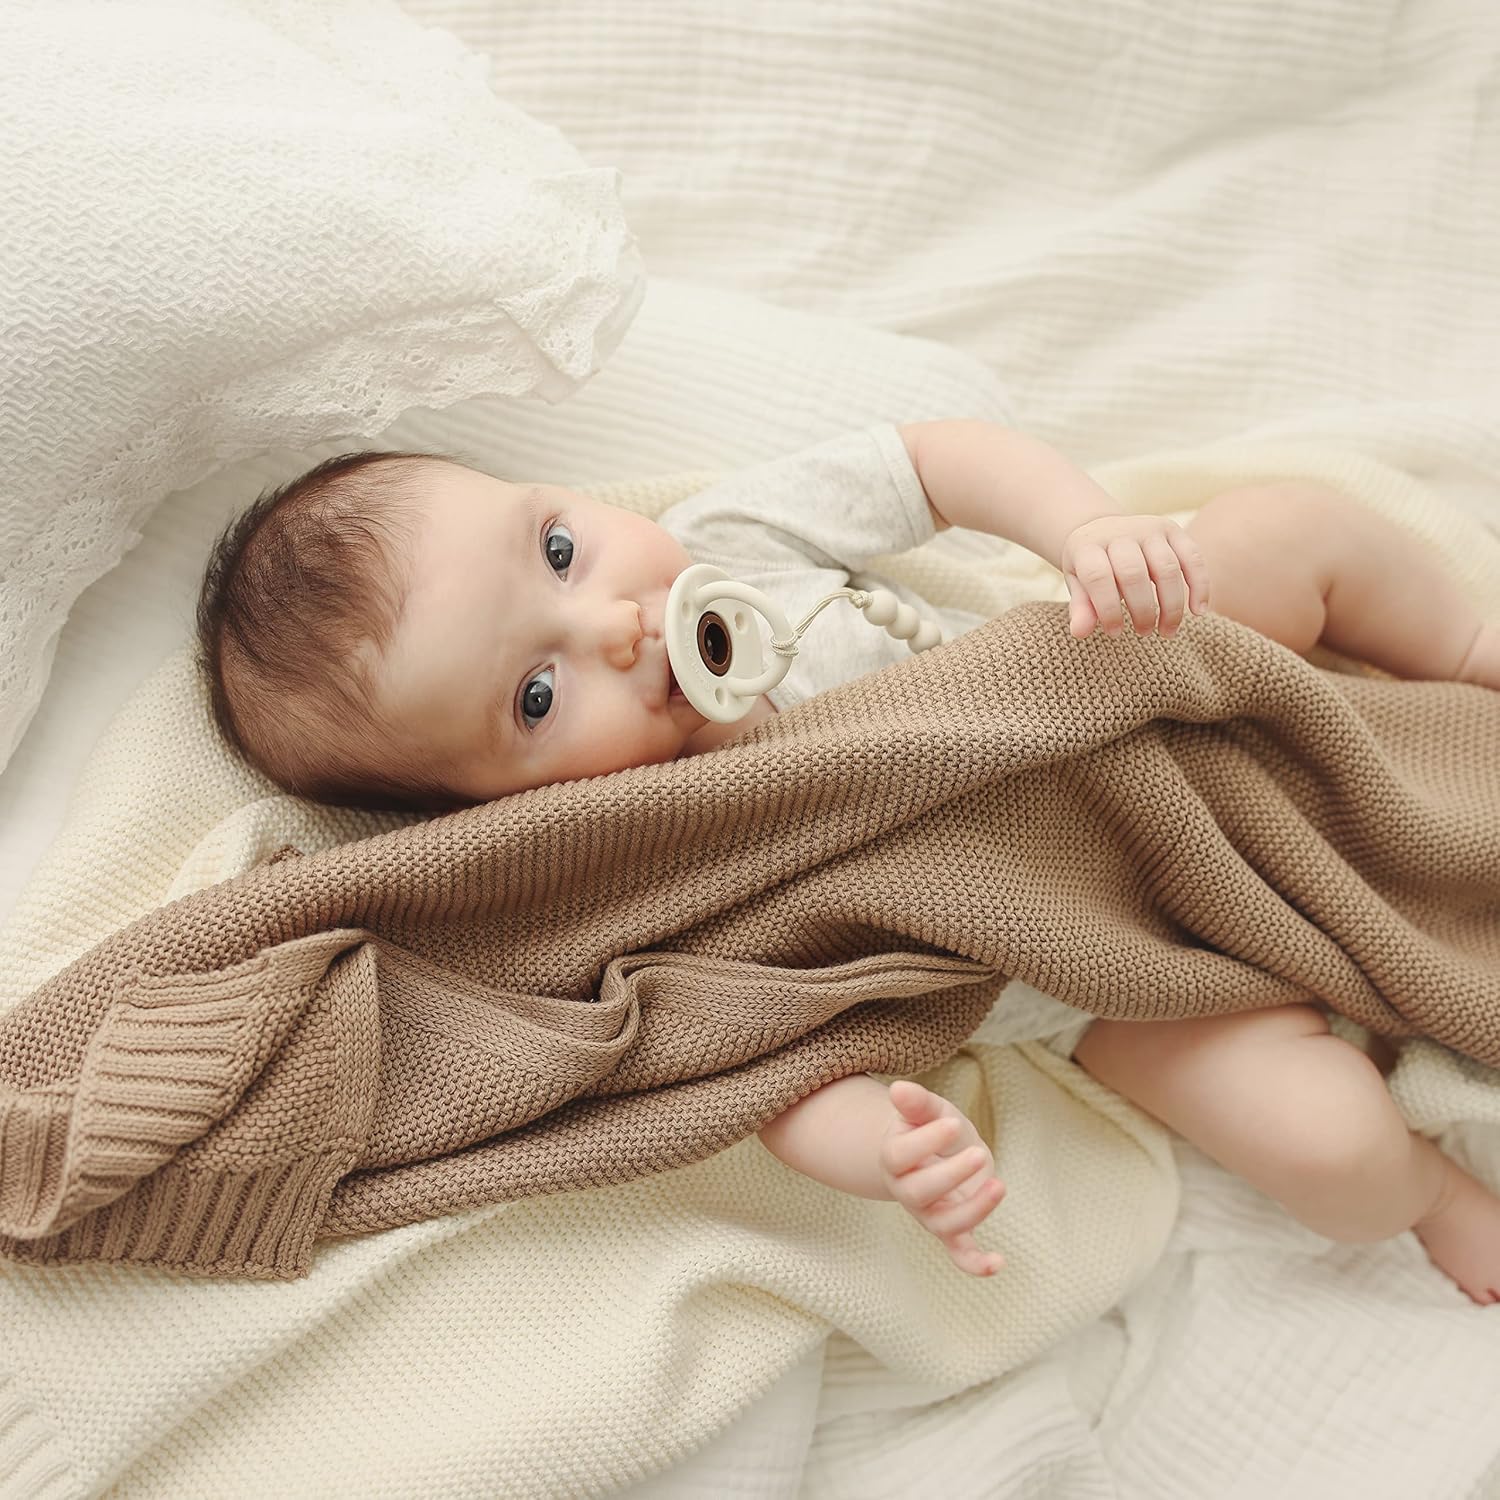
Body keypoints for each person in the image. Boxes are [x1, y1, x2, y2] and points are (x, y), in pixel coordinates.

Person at [196, 419, 1500, 1297]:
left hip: (1115, 683)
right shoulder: (661, 854)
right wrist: (883, 1147)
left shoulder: (736, 539)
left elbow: (933, 462)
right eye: (536, 696)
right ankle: (1431, 1194)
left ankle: (1467, 648)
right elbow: (764, 1054)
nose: (612, 625)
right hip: (1119, 974)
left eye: (559, 551)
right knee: (1329, 1148)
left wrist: (1087, 531)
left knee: (1281, 531)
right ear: (490, 810)